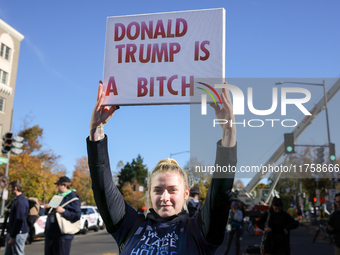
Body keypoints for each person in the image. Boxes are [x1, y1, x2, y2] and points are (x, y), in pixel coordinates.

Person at [87, 81, 237, 254]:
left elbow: (221, 192)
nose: (165, 197)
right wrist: (96, 129)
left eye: (172, 190)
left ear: (186, 193)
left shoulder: (199, 231)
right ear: (149, 193)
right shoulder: (129, 226)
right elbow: (102, 188)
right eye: (158, 190)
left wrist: (229, 129)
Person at [44, 176, 81, 255]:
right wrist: (47, 209)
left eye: (58, 184)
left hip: (62, 235)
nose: (56, 187)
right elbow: (52, 213)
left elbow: (77, 215)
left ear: (65, 185)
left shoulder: (72, 197)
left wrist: (63, 211)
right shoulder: (57, 196)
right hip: (50, 234)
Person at [5, 180, 29, 255]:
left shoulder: (21, 201)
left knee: (18, 253)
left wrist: (12, 237)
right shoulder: (17, 200)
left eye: (10, 187)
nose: (9, 189)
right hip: (13, 233)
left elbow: (19, 220)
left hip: (18, 233)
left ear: (15, 188)